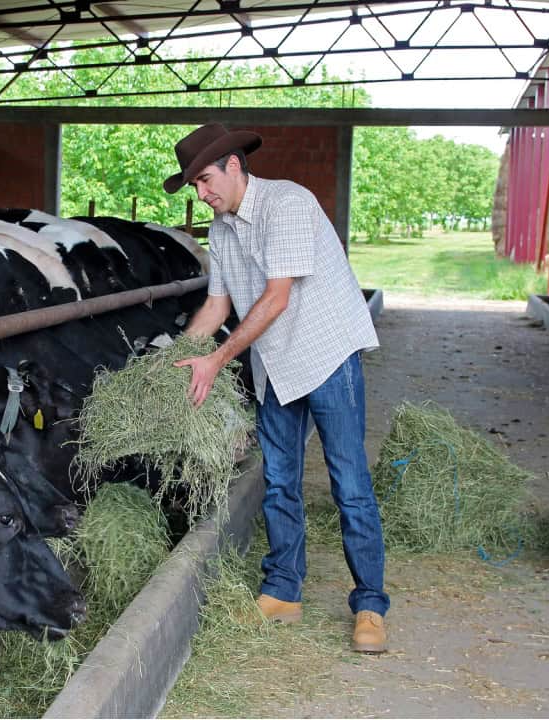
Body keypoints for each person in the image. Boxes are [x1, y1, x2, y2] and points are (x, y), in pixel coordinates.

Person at [164, 123, 389, 653]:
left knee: (349, 482)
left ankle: (370, 605)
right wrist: (168, 362)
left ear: (234, 165)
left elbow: (277, 297)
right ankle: (283, 592)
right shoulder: (222, 230)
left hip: (326, 353)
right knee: (280, 481)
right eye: (194, 185)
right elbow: (216, 306)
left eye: (205, 180)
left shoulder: (287, 203)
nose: (202, 193)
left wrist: (217, 359)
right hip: (276, 364)